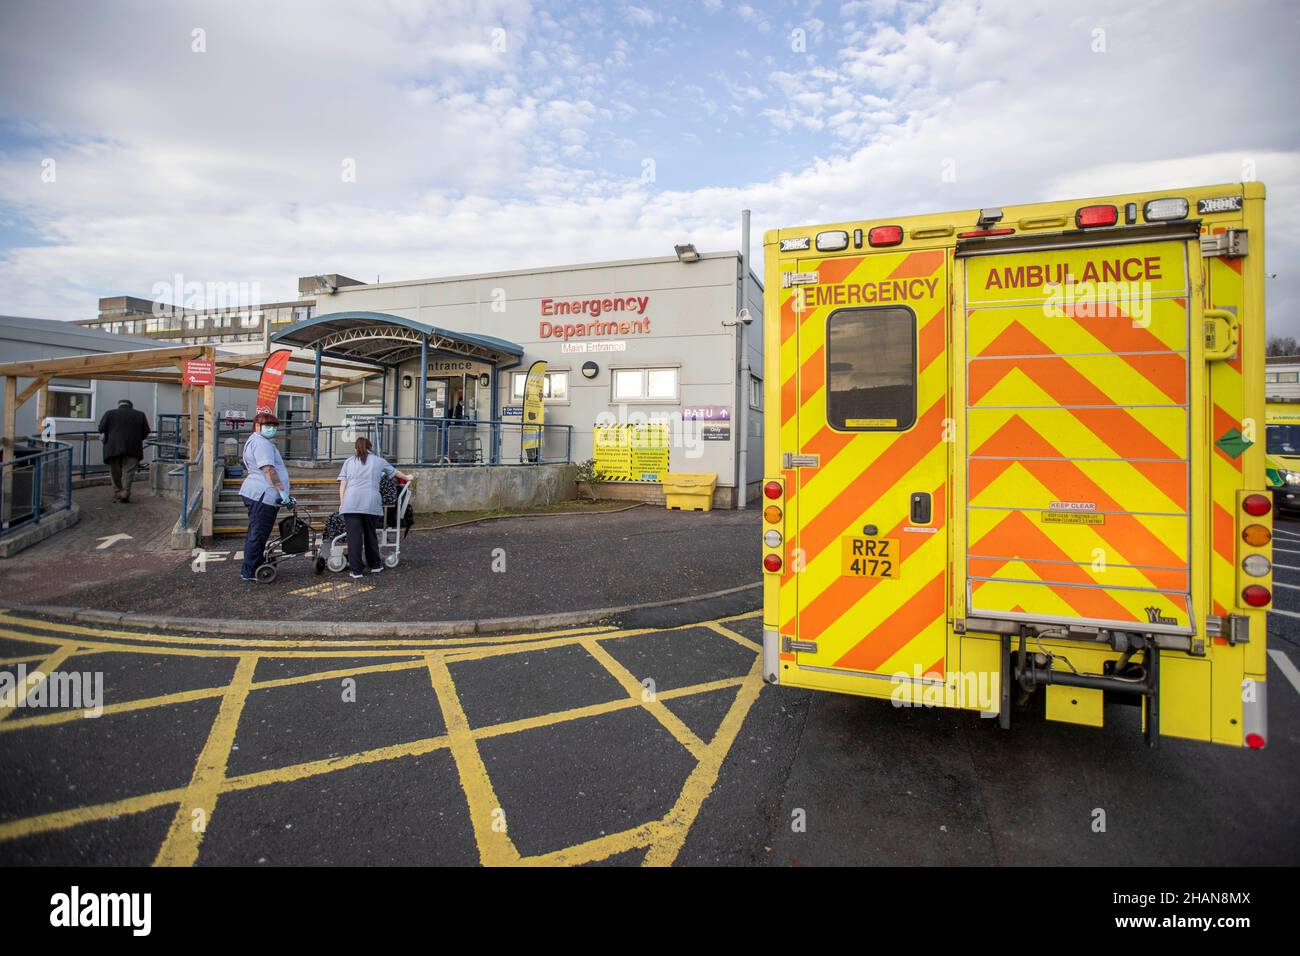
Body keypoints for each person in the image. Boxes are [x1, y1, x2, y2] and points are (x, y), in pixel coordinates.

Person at [337, 436, 412, 578]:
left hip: (351, 503)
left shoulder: (348, 462)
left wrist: (342, 503)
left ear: (356, 448)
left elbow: (343, 485)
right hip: (371, 503)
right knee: (370, 535)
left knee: (354, 538)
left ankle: (356, 570)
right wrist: (408, 477)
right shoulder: (378, 461)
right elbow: (395, 473)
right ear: (370, 448)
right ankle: (375, 565)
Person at [239, 412, 291, 582]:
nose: (271, 429)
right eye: (267, 426)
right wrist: (282, 491)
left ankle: (252, 564)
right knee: (258, 533)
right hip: (263, 494)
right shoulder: (262, 444)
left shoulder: (255, 441)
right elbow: (268, 469)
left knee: (255, 532)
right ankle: (251, 570)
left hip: (255, 492)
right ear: (257, 426)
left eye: (274, 426)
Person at [97, 398, 151, 504]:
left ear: (119, 405)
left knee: (115, 472)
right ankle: (126, 492)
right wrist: (137, 438)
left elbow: (101, 428)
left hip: (113, 448)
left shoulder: (109, 413)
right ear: (131, 405)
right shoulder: (140, 415)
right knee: (128, 472)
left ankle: (117, 491)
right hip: (133, 448)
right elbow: (146, 431)